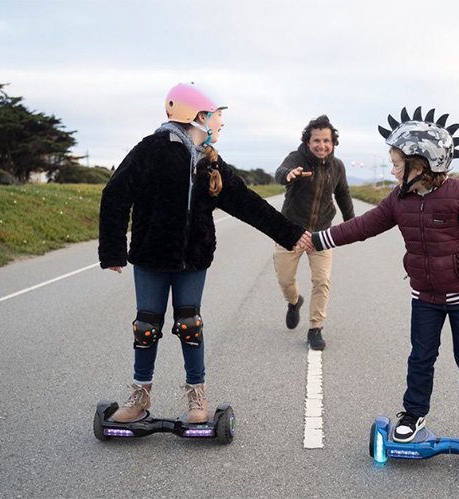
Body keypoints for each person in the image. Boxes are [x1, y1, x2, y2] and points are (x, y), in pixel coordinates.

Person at [98, 82, 312, 423]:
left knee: (189, 324)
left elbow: (246, 203)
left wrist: (289, 233)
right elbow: (115, 194)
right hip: (151, 256)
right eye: (216, 116)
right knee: (146, 326)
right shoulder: (152, 149)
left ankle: (197, 398)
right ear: (196, 116)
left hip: (193, 258)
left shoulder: (211, 162)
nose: (220, 124)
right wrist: (112, 250)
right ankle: (139, 396)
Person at [310, 107, 459, 445]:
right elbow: (365, 225)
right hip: (425, 297)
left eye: (397, 164)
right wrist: (321, 238)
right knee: (421, 356)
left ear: (421, 166)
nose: (392, 170)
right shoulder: (399, 199)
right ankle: (414, 414)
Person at [273, 115, 355, 350]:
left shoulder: (337, 166)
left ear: (333, 143)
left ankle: (315, 328)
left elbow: (343, 195)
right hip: (291, 231)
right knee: (285, 279)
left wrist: (351, 224)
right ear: (308, 142)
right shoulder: (296, 158)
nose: (322, 145)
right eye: (317, 140)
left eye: (326, 141)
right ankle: (294, 301)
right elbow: (281, 171)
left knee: (322, 281)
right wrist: (288, 176)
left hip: (321, 233)